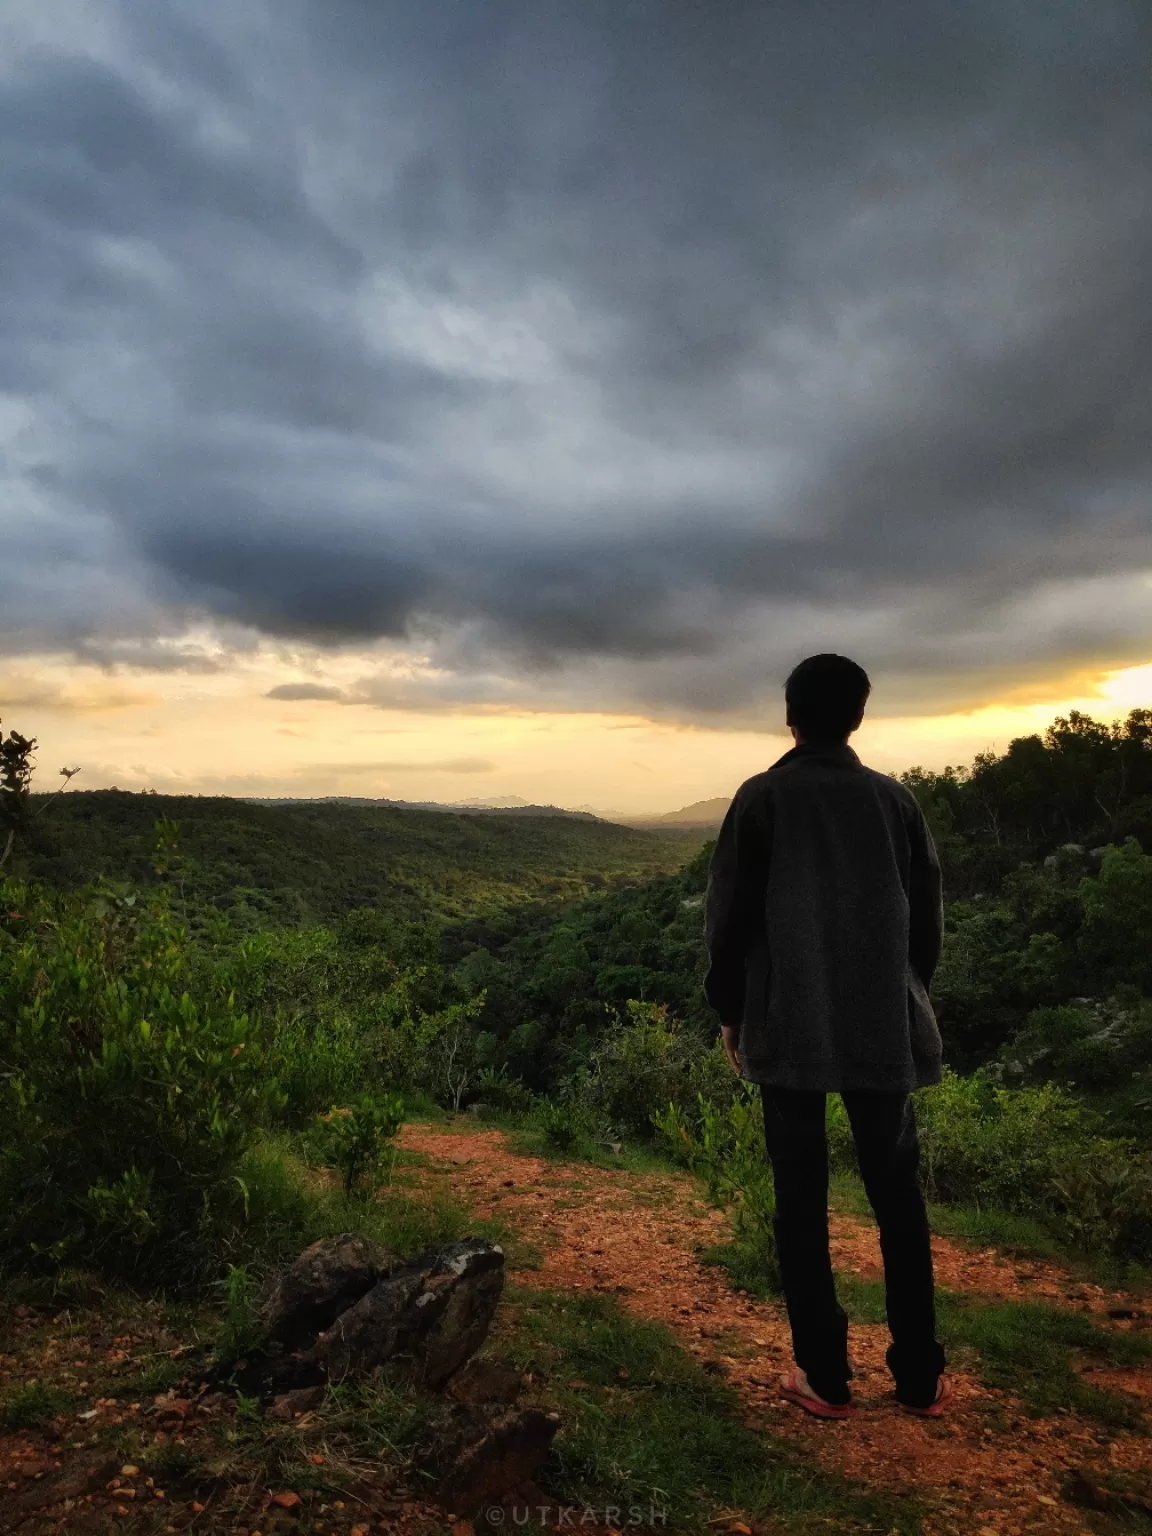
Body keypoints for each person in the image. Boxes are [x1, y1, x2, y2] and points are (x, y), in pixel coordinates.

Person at [703, 653, 948, 1419]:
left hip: (792, 1021)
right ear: (859, 716)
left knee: (800, 1201)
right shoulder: (894, 801)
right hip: (882, 1021)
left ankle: (825, 1377)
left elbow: (731, 917)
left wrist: (732, 1009)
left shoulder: (764, 798)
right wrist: (905, 994)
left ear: (791, 716)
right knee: (897, 1200)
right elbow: (927, 918)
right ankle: (919, 1377)